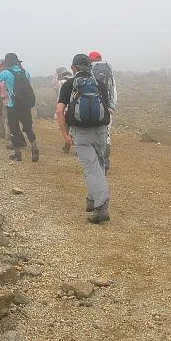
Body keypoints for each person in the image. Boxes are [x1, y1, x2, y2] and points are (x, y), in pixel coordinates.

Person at [56, 53, 111, 223]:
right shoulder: (100, 84)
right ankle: (91, 199)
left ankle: (101, 207)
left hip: (81, 132)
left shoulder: (68, 85)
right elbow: (107, 108)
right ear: (90, 67)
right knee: (99, 164)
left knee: (91, 167)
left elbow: (59, 111)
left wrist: (65, 134)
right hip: (101, 130)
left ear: (73, 68)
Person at [0, 52, 39, 162]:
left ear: (7, 62)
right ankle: (34, 147)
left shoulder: (5, 73)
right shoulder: (25, 73)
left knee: (14, 129)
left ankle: (17, 154)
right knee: (28, 127)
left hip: (12, 105)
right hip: (25, 105)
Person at [88, 51, 117, 171]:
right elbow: (113, 89)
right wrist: (111, 106)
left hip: (93, 107)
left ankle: (97, 162)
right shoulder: (108, 71)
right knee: (106, 134)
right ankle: (106, 161)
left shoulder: (89, 71)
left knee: (93, 133)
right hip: (107, 108)